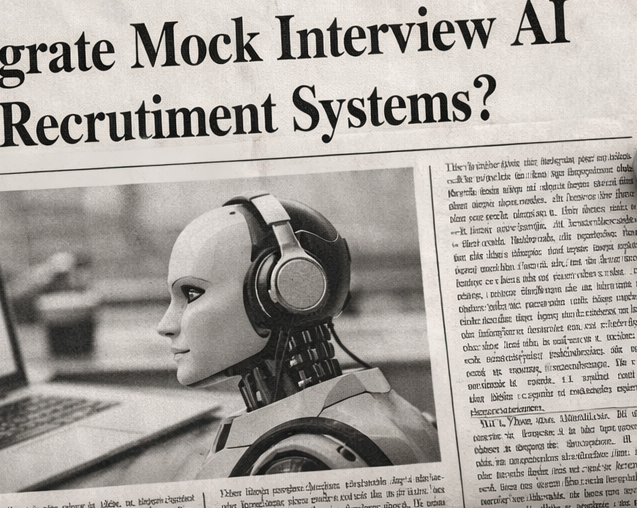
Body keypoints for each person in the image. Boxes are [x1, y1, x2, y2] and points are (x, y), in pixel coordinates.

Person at [156, 193, 440, 478]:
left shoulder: (298, 464)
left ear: (286, 290)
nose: (165, 325)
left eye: (191, 293)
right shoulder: (387, 411)